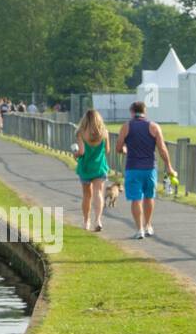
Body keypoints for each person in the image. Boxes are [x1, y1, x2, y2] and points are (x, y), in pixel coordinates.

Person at [114, 100, 176, 239]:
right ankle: (148, 225)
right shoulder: (154, 127)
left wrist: (125, 149)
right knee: (149, 197)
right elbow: (162, 149)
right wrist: (169, 166)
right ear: (144, 111)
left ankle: (139, 229)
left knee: (136, 199)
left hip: (133, 168)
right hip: (150, 168)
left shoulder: (126, 126)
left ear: (131, 112)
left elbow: (118, 148)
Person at [74, 109, 111, 232]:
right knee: (98, 193)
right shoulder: (104, 132)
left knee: (86, 195)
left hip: (85, 167)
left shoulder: (81, 133)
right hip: (99, 166)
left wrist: (75, 154)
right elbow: (107, 150)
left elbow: (82, 152)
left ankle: (86, 222)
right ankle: (98, 219)